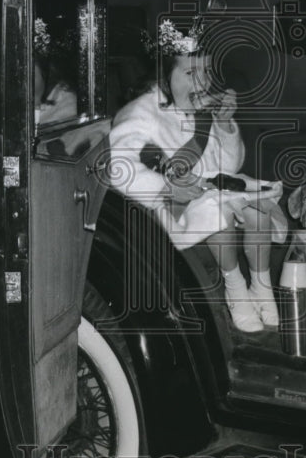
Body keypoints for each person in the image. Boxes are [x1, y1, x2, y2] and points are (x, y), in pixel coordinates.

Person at [108, 18, 286, 332]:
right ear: (164, 73)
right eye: (190, 73)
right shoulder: (140, 112)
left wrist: (227, 126)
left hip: (207, 188)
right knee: (217, 209)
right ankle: (236, 289)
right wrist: (167, 187)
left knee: (259, 206)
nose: (201, 83)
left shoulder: (199, 109)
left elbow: (227, 167)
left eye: (205, 72)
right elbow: (119, 169)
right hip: (170, 205)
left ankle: (262, 286)